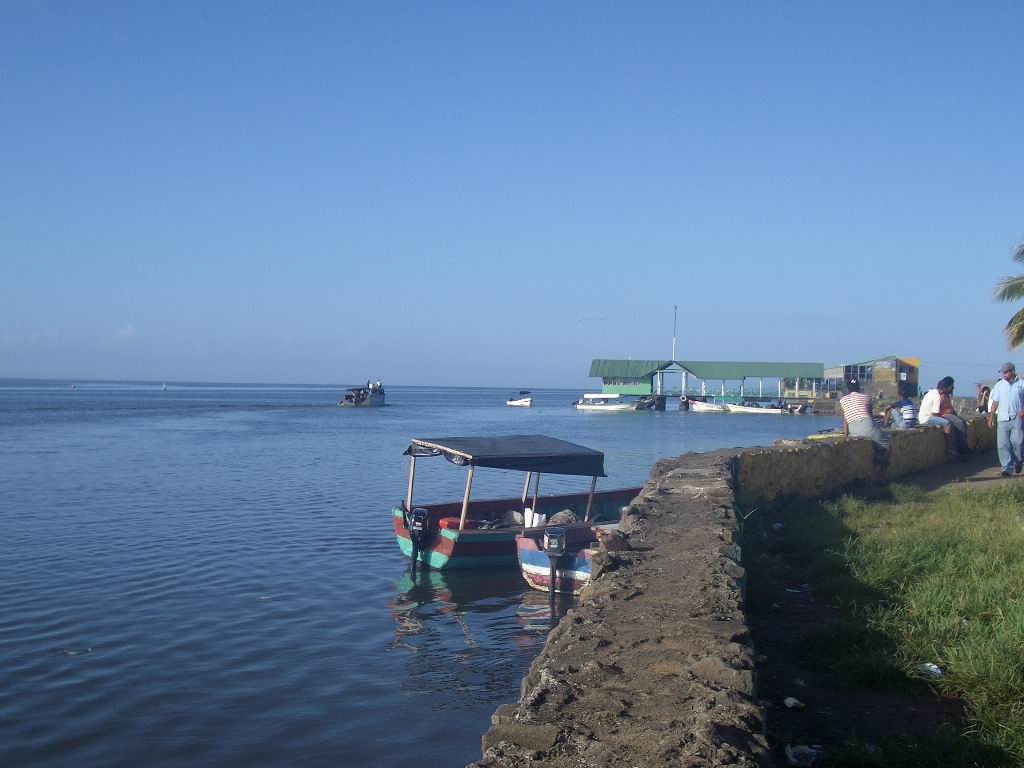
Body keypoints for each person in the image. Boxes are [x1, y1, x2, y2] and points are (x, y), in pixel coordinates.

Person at [838, 379, 889, 464]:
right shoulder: (867, 398)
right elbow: (870, 416)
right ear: (858, 388)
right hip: (868, 426)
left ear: (848, 389)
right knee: (887, 444)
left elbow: (846, 420)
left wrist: (846, 435)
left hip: (853, 429)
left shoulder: (843, 400)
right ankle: (882, 470)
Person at [986, 362, 1024, 477]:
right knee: (1003, 444)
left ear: (1012, 372)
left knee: (1017, 442)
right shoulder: (999, 385)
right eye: (1002, 372)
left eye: (1005, 372)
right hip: (1002, 417)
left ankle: (1018, 461)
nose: (1003, 374)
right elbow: (995, 402)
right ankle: (1007, 468)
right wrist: (991, 417)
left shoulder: (1021, 384)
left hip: (1016, 417)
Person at [919, 376, 969, 458]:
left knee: (957, 422)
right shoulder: (937, 397)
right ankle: (950, 449)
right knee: (948, 424)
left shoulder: (932, 392)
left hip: (925, 416)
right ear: (945, 388)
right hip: (927, 418)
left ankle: (958, 447)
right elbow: (935, 414)